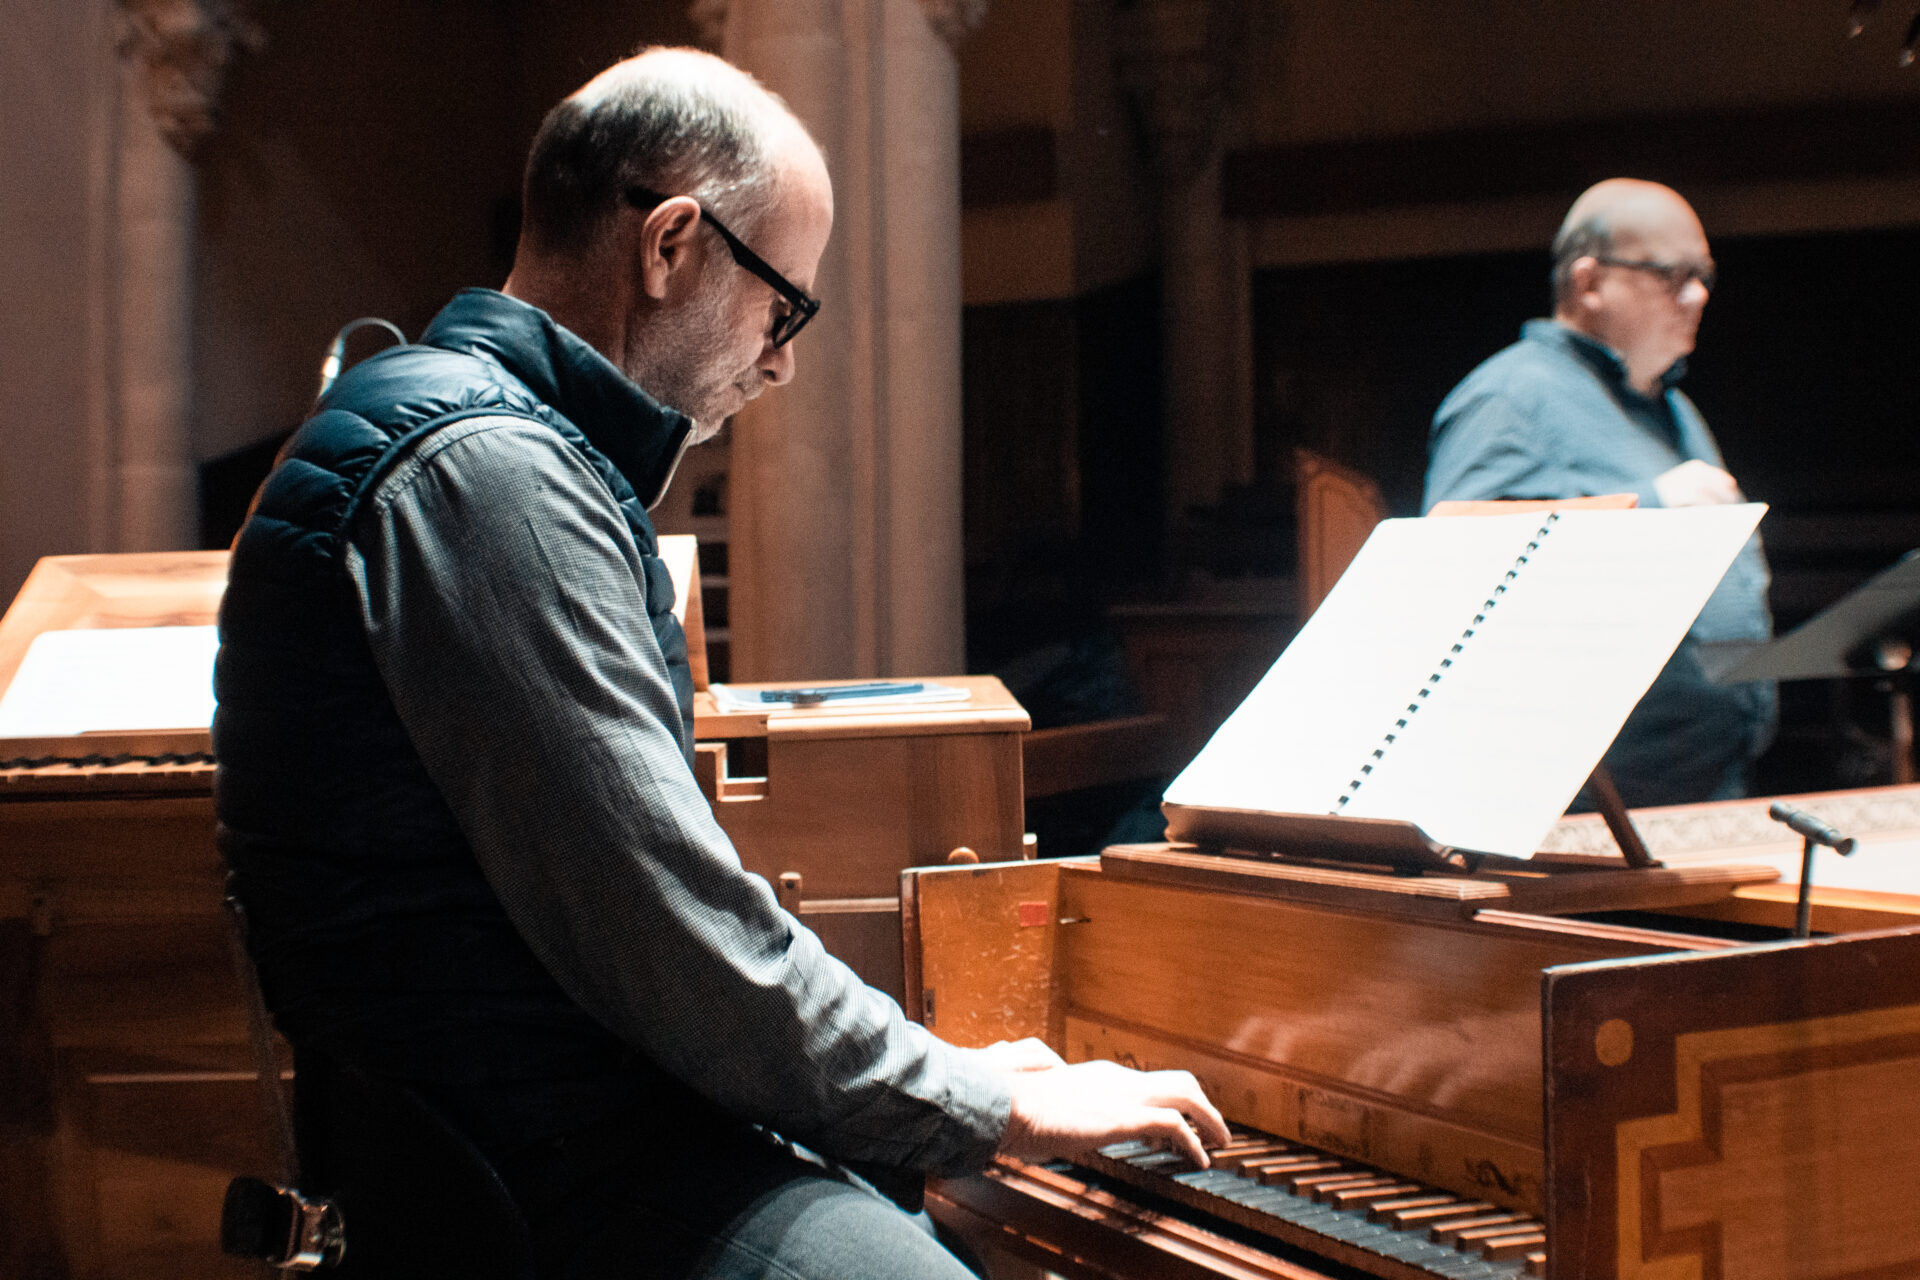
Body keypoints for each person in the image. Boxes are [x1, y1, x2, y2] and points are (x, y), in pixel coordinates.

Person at [213, 47, 1226, 1280]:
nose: (784, 358)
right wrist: (973, 1099)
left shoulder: (495, 449)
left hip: (546, 1123)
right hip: (533, 1172)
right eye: (782, 304)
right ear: (671, 245)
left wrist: (926, 1082)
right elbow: (674, 941)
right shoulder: (487, 474)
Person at [1423, 178, 1775, 809]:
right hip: (1595, 805)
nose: (1696, 295)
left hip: (1706, 780)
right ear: (1589, 284)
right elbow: (1451, 563)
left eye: (1703, 275)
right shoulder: (1511, 395)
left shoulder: (1672, 407)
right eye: (1670, 274)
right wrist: (1653, 505)